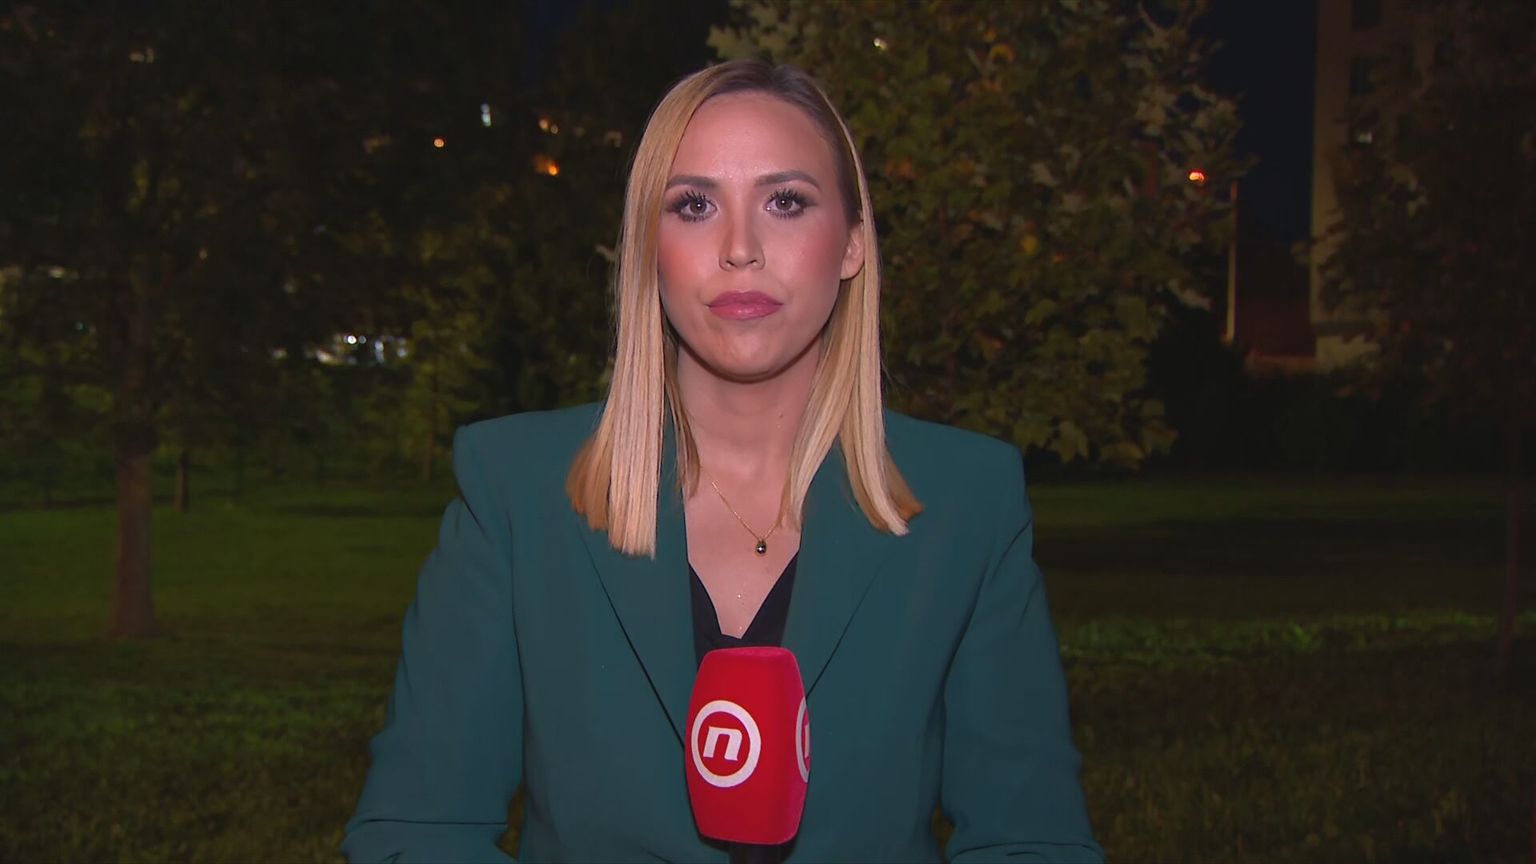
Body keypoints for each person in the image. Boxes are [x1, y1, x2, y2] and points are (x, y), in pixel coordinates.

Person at [342, 59, 1102, 863]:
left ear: (851, 243)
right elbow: (417, 832)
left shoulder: (968, 502)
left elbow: (1032, 839)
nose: (741, 249)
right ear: (649, 246)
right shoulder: (516, 490)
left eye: (786, 201)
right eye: (694, 205)